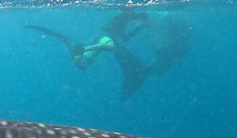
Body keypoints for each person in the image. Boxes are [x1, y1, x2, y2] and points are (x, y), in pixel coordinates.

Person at [26, 9, 154, 98]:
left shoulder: (115, 28)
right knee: (71, 43)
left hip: (85, 55)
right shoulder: (107, 36)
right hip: (87, 55)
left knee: (68, 41)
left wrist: (140, 27)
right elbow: (110, 44)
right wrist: (87, 49)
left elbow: (125, 38)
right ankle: (74, 49)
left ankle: (39, 28)